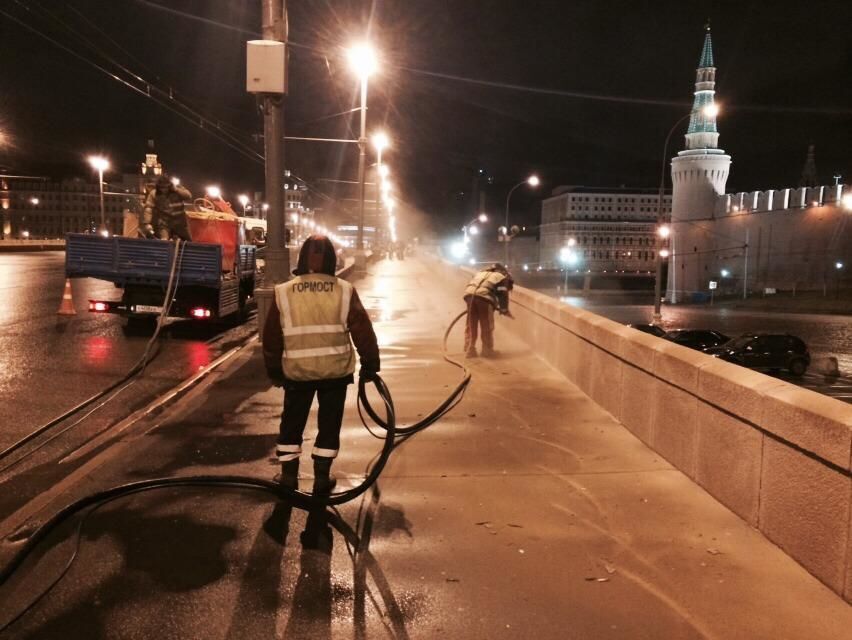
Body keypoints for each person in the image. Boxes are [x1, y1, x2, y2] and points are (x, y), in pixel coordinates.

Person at [263, 235, 380, 494]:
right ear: (332, 260)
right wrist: (371, 363)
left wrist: (273, 370)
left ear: (302, 258)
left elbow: (271, 336)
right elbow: (362, 329)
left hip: (297, 374)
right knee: (329, 425)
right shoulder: (344, 290)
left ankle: (288, 478)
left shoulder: (284, 291)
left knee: (291, 424)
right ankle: (321, 478)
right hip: (335, 373)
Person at [463, 263, 513, 358]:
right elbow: (503, 294)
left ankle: (470, 349)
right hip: (484, 298)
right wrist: (504, 309)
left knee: (471, 323)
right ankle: (487, 350)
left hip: (469, 295)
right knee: (486, 325)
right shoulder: (501, 276)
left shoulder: (481, 273)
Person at [141, 175, 192, 240]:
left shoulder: (177, 190)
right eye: (161, 188)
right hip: (165, 223)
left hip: (180, 222)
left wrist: (176, 190)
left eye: (166, 187)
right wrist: (147, 223)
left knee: (187, 241)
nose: (164, 190)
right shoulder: (154, 194)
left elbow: (188, 196)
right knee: (164, 241)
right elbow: (148, 209)